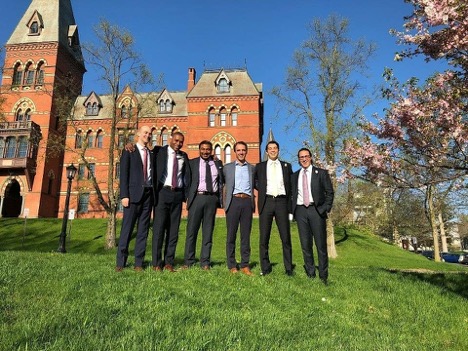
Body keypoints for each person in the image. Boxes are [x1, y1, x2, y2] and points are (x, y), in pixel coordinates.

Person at [291, 148, 334, 285]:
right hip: (300, 211)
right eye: (301, 157)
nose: (303, 159)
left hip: (316, 211)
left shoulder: (321, 173)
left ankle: (323, 275)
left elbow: (330, 193)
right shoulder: (294, 175)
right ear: (298, 159)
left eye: (306, 156)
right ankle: (310, 273)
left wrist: (324, 209)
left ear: (310, 157)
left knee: (320, 245)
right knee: (305, 244)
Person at [116, 125, 154, 272]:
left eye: (150, 133)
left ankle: (139, 263)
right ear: (138, 134)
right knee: (127, 229)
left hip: (148, 196)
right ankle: (121, 263)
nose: (148, 135)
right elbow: (124, 174)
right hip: (132, 196)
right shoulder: (129, 151)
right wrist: (124, 195)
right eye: (145, 132)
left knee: (143, 231)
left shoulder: (151, 153)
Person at [152, 131, 190, 272]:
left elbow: (189, 173)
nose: (178, 143)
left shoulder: (184, 156)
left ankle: (168, 263)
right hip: (163, 192)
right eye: (176, 140)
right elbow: (142, 151)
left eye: (181, 141)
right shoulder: (158, 151)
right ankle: (156, 263)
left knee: (173, 231)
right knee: (159, 229)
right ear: (170, 139)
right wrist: (130, 145)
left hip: (177, 195)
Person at [254, 140, 293, 276]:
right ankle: (265, 267)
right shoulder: (260, 166)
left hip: (282, 202)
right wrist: (264, 189)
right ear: (266, 151)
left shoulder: (287, 166)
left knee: (286, 237)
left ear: (278, 150)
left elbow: (291, 186)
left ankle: (288, 268)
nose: (272, 150)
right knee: (264, 237)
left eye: (275, 148)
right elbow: (255, 182)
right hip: (267, 201)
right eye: (270, 148)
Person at [184, 140, 223, 270]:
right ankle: (189, 261)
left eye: (208, 149)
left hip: (211, 199)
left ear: (211, 151)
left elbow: (222, 180)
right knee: (191, 231)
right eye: (203, 149)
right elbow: (186, 180)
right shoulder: (192, 163)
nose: (205, 151)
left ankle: (205, 262)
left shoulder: (217, 163)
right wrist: (187, 198)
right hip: (197, 198)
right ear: (199, 149)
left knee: (208, 231)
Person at [223, 141, 255, 276]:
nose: (241, 152)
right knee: (231, 235)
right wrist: (224, 204)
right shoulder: (227, 168)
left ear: (246, 151)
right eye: (238, 150)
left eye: (243, 150)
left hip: (247, 201)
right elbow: (221, 184)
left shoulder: (252, 168)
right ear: (235, 152)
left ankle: (245, 265)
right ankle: (231, 265)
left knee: (245, 235)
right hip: (233, 201)